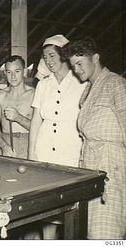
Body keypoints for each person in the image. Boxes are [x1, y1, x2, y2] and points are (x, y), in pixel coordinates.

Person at [62, 37, 126, 239]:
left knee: (107, 231)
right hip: (91, 164)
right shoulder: (88, 91)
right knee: (90, 229)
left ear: (95, 58)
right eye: (73, 66)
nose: (76, 70)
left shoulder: (116, 84)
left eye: (80, 63)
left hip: (112, 165)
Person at [28, 34, 86, 239]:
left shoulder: (81, 82)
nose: (48, 61)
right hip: (45, 151)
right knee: (46, 210)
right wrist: (31, 155)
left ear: (63, 55)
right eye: (45, 57)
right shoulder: (44, 84)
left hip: (70, 150)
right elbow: (36, 121)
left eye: (52, 56)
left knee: (71, 209)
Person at [0, 55, 34, 158]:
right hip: (5, 144)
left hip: (29, 145)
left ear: (24, 72)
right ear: (5, 73)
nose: (13, 76)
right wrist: (3, 146)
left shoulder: (35, 95)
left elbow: (41, 128)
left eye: (17, 71)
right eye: (9, 72)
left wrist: (18, 118)